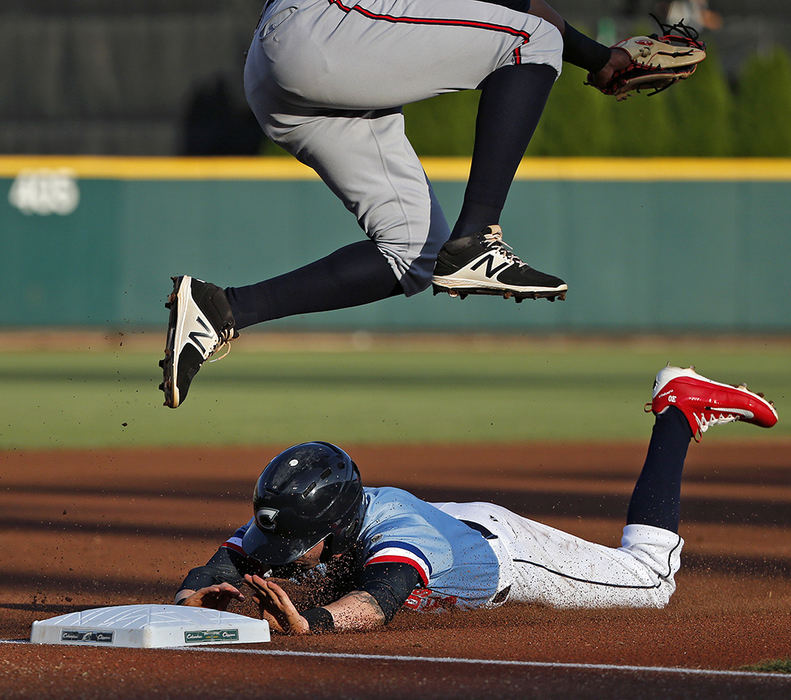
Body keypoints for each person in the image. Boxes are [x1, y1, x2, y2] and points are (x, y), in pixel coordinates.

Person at [159, 0, 634, 408]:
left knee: (415, 252)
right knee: (532, 40)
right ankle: (475, 240)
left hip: (287, 67)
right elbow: (526, 10)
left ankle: (220, 310)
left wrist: (604, 58)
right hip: (324, 28)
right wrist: (602, 57)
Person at [173, 366, 778, 633]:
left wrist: (319, 623)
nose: (279, 551)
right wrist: (195, 596)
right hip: (448, 524)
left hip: (503, 551)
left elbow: (377, 604)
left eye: (294, 544)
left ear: (330, 525)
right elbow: (223, 563)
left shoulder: (395, 537)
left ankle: (676, 409)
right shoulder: (309, 508)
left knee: (650, 584)